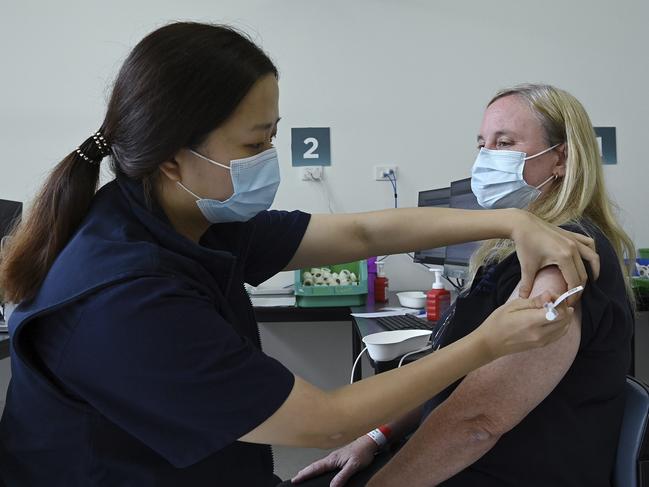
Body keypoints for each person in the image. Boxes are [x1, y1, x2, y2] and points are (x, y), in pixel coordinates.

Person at [0, 24, 595, 487]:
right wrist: (489, 341)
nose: (270, 156)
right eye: (255, 143)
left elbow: (361, 235)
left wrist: (507, 218)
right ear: (172, 158)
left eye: (273, 136)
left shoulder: (186, 217)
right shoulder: (124, 295)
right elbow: (326, 420)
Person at [291, 84, 634, 487]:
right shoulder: (507, 249)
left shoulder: (563, 257)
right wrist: (376, 435)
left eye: (504, 143)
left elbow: (478, 421)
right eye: (482, 144)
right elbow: (451, 376)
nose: (487, 157)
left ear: (560, 157)